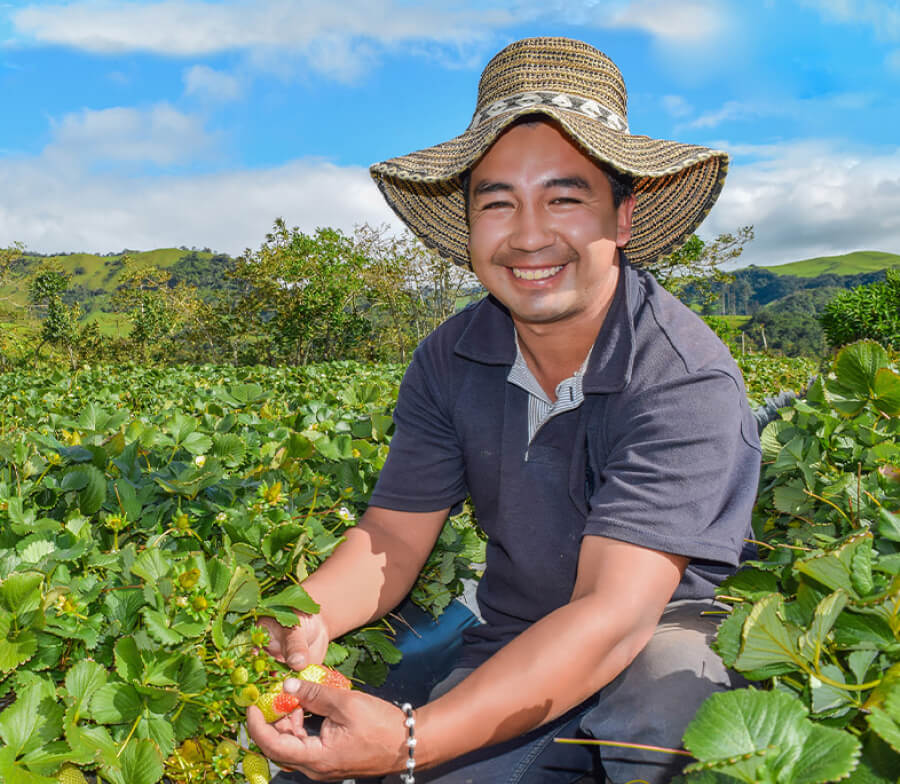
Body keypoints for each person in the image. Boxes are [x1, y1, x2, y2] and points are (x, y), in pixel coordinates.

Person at [248, 36, 761, 784]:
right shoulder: (449, 358)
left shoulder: (684, 376)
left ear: (623, 217)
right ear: (468, 227)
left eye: (564, 197)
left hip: (661, 635)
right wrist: (310, 612)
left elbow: (613, 616)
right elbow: (392, 533)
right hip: (517, 637)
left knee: (665, 692)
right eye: (498, 202)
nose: (528, 236)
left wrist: (410, 739)